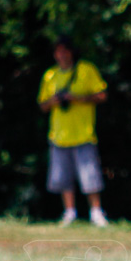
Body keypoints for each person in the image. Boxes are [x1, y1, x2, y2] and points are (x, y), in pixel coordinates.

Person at [37, 35, 109, 227]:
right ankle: (69, 213)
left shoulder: (86, 70)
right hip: (59, 135)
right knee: (63, 178)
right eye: (58, 51)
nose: (61, 55)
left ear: (71, 52)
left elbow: (102, 95)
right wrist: (55, 100)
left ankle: (96, 212)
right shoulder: (50, 75)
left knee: (90, 176)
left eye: (64, 50)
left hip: (83, 134)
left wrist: (76, 98)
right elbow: (42, 105)